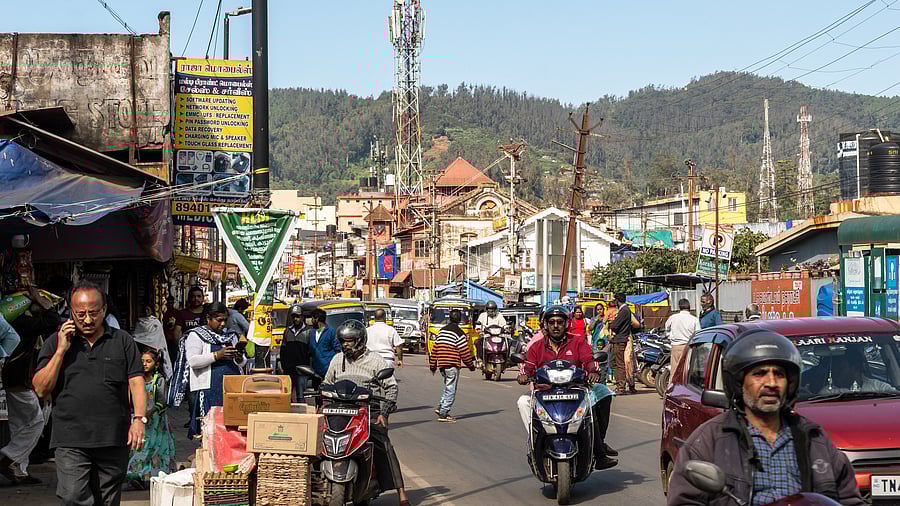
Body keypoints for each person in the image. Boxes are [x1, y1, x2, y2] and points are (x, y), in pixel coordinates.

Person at [667, 329, 865, 506]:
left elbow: (849, 499)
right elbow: (685, 500)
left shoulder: (813, 439)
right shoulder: (709, 441)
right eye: (759, 374)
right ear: (738, 382)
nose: (771, 383)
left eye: (779, 374)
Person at [33, 280, 146, 506]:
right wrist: (61, 351)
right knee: (73, 496)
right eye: (80, 313)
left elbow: (136, 382)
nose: (87, 319)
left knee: (107, 500)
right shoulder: (56, 341)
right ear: (71, 312)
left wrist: (139, 419)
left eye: (93, 313)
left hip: (113, 437)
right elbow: (40, 388)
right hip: (70, 438)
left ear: (104, 310)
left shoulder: (122, 340)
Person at [516, 306, 616, 470]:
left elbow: (590, 360)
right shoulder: (537, 346)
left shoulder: (577, 342)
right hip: (544, 392)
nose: (556, 326)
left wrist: (593, 372)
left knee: (603, 392)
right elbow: (527, 366)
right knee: (522, 401)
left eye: (560, 322)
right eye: (552, 322)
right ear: (546, 325)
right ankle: (536, 439)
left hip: (575, 391)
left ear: (566, 324)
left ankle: (599, 448)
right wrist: (523, 375)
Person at [322, 321, 409, 506]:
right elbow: (326, 383)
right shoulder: (337, 359)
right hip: (339, 411)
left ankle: (401, 492)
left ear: (360, 341)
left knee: (383, 445)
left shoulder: (376, 360)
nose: (346, 345)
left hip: (368, 411)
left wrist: (384, 413)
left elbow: (391, 387)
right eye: (343, 342)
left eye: (350, 341)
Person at [1, 285, 61, 486]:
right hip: (20, 378)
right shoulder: (23, 322)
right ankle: (7, 458)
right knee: (35, 422)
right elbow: (53, 321)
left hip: (14, 377)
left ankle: (19, 470)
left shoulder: (16, 321)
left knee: (20, 425)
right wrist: (38, 298)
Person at [168, 302, 247, 439]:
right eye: (219, 320)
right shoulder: (196, 336)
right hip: (208, 390)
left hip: (230, 390)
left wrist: (239, 358)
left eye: (225, 320)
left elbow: (242, 362)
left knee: (230, 430)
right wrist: (217, 355)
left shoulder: (230, 336)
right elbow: (193, 361)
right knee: (210, 430)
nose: (222, 324)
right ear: (208, 318)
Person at [126, 349, 176, 489]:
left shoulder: (158, 380)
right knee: (139, 447)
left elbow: (162, 401)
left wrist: (150, 412)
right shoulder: (136, 380)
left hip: (156, 423)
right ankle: (136, 475)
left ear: (156, 364)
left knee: (157, 449)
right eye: (142, 361)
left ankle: (158, 476)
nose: (145, 364)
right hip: (139, 421)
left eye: (148, 361)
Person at [429, 309, 476, 423]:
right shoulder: (459, 333)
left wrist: (433, 365)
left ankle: (441, 406)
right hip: (452, 365)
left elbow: (435, 349)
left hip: (442, 364)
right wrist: (471, 366)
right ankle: (444, 413)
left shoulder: (442, 331)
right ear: (459, 320)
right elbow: (464, 352)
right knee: (451, 389)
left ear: (449, 318)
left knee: (447, 386)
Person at [818, 345, 896, 394]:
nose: (836, 372)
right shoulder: (829, 393)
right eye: (835, 368)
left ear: (855, 368)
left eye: (841, 368)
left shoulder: (878, 387)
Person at [280, 304, 313, 401]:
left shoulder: (309, 331)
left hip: (302, 369)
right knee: (287, 396)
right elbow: (283, 350)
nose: (295, 319)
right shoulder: (287, 331)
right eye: (294, 316)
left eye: (298, 316)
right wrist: (283, 366)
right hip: (289, 369)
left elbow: (311, 352)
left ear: (302, 317)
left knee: (300, 396)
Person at [665, 298, 700, 376]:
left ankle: (673, 387)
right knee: (687, 370)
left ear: (679, 307)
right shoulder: (695, 319)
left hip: (676, 346)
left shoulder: (673, 317)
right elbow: (698, 334)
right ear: (689, 307)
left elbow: (666, 329)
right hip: (689, 347)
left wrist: (669, 336)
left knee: (674, 370)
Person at [609, 294, 636, 395]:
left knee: (620, 364)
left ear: (617, 301)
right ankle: (622, 385)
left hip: (620, 340)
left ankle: (621, 387)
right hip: (621, 339)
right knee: (616, 363)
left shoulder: (624, 310)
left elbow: (615, 325)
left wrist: (611, 324)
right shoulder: (625, 310)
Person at [309, 308, 341, 379]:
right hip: (315, 371)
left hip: (328, 370)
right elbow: (310, 352)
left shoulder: (331, 332)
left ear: (316, 319)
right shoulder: (311, 332)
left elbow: (337, 350)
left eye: (312, 318)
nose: (311, 321)